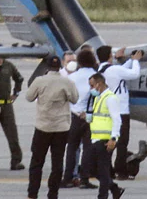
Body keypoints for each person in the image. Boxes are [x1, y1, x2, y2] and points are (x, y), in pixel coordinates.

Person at [25, 55, 79, 199]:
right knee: (57, 163)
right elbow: (75, 98)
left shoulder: (39, 81)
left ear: (47, 67)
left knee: (37, 162)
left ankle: (32, 193)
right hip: (61, 128)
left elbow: (29, 97)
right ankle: (53, 193)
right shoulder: (67, 82)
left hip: (43, 126)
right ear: (60, 66)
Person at [96, 46, 143, 180]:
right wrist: (136, 61)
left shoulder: (101, 70)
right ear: (110, 56)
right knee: (122, 142)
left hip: (107, 111)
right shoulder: (114, 69)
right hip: (121, 110)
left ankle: (108, 170)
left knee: (109, 141)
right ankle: (121, 171)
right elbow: (134, 74)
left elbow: (120, 71)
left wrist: (129, 60)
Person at [61, 50, 99, 189]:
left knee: (71, 147)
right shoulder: (96, 77)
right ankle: (84, 178)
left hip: (73, 115)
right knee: (88, 148)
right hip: (89, 116)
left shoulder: (72, 77)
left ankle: (68, 177)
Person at [88, 73, 125, 199]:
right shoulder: (99, 97)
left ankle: (102, 196)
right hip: (95, 138)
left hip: (105, 140)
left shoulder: (110, 98)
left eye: (92, 85)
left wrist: (113, 138)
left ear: (99, 84)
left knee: (103, 171)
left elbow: (117, 119)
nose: (91, 88)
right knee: (91, 169)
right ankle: (114, 188)